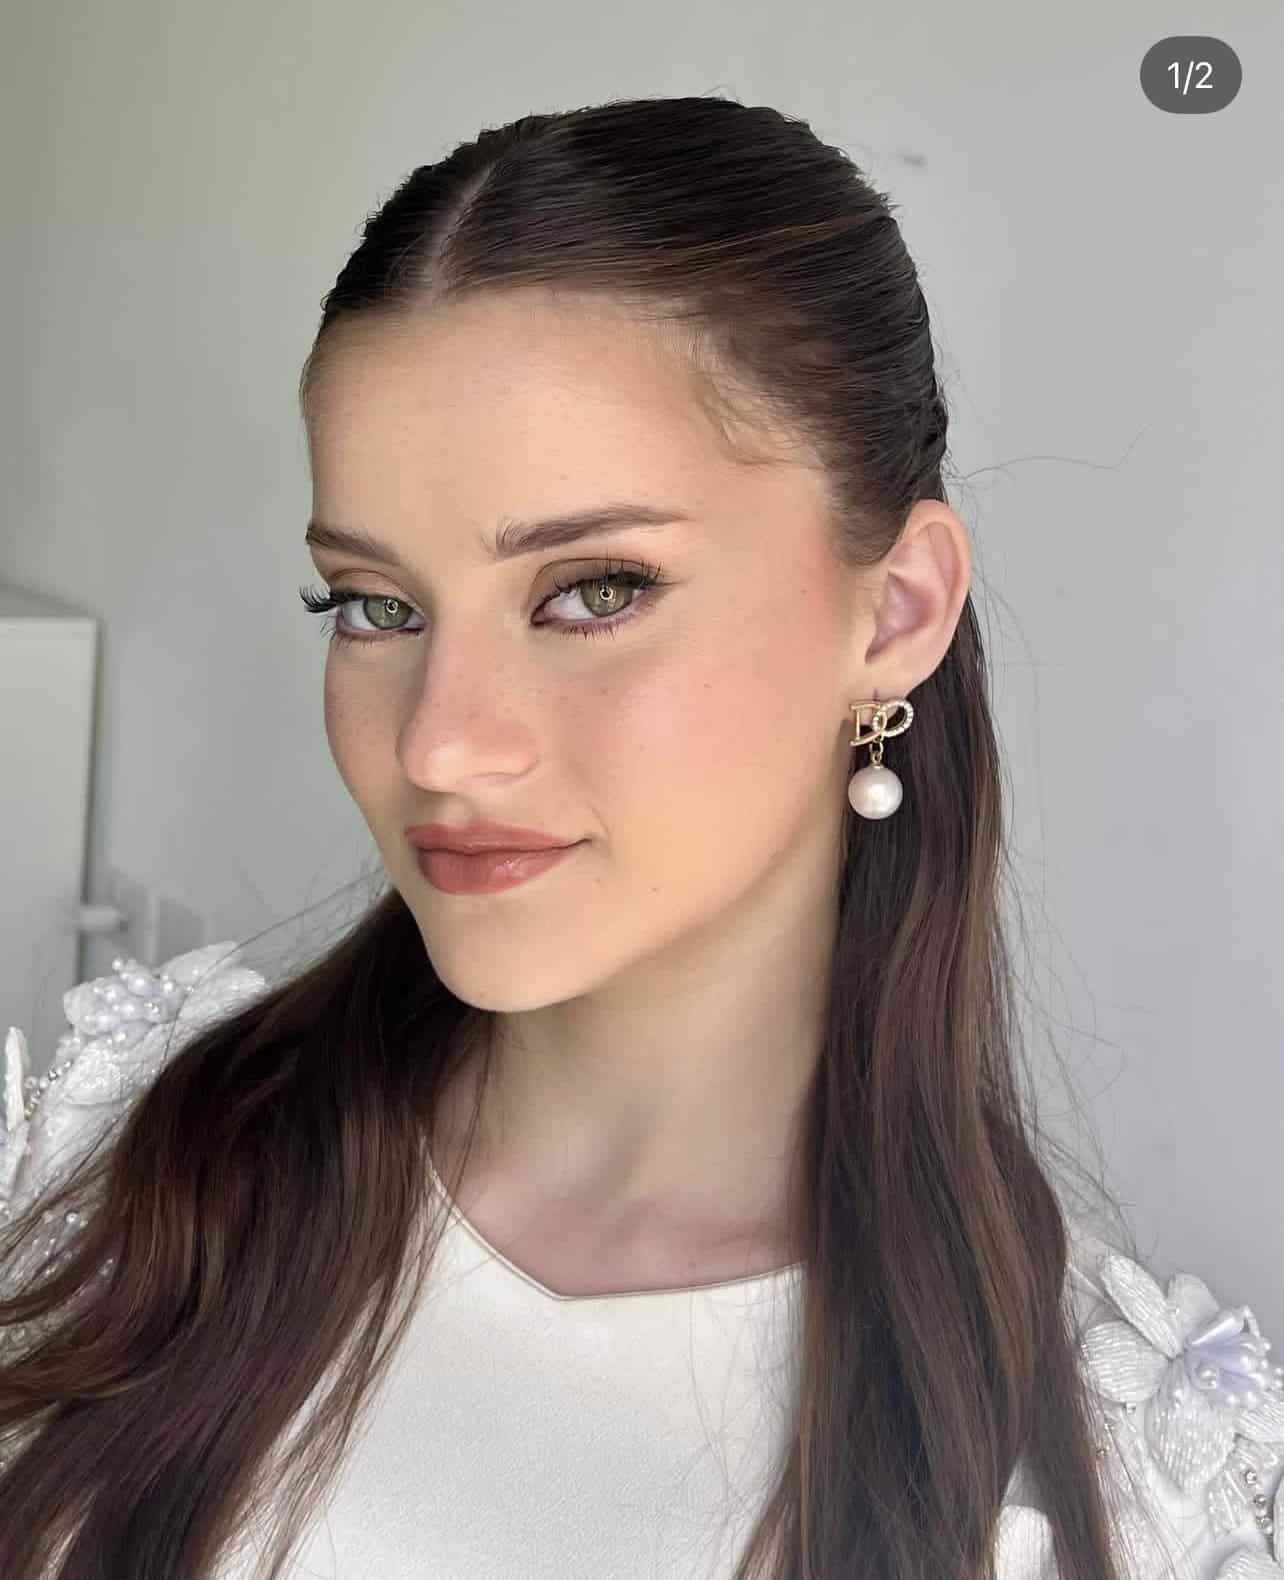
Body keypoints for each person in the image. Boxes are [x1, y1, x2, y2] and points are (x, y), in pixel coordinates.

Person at [1, 94, 1279, 1580]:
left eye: (595, 591)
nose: (439, 744)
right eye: (374, 604)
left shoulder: (1115, 1477)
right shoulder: (104, 1178)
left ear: (895, 612)